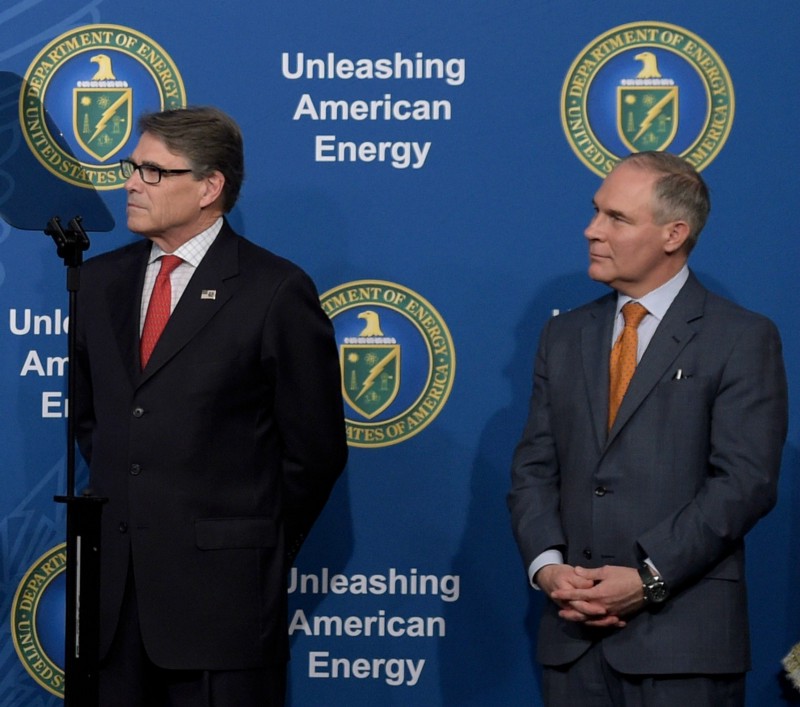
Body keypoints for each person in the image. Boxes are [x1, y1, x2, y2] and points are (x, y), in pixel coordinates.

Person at [74, 106, 348, 706]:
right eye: (132, 166)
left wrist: (244, 540)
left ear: (210, 186)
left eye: (152, 171)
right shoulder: (97, 285)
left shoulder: (273, 290)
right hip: (113, 606)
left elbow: (315, 451)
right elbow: (95, 422)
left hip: (221, 609)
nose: (130, 183)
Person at [507, 151, 788, 706]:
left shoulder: (740, 338)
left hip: (684, 647)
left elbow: (744, 483)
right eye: (596, 212)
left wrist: (649, 576)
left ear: (673, 234)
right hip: (573, 640)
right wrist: (548, 569)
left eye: (617, 218)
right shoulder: (563, 337)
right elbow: (533, 469)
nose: (592, 230)